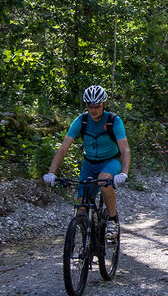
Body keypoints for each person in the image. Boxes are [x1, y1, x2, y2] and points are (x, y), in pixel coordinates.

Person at [43, 85, 131, 242]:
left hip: (110, 162)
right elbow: (63, 148)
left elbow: (124, 150)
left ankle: (111, 220)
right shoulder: (81, 120)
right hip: (89, 164)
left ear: (104, 104)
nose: (93, 110)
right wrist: (52, 172)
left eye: (97, 106)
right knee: (81, 207)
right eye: (90, 106)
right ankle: (86, 244)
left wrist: (124, 173)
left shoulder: (113, 121)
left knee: (104, 181)